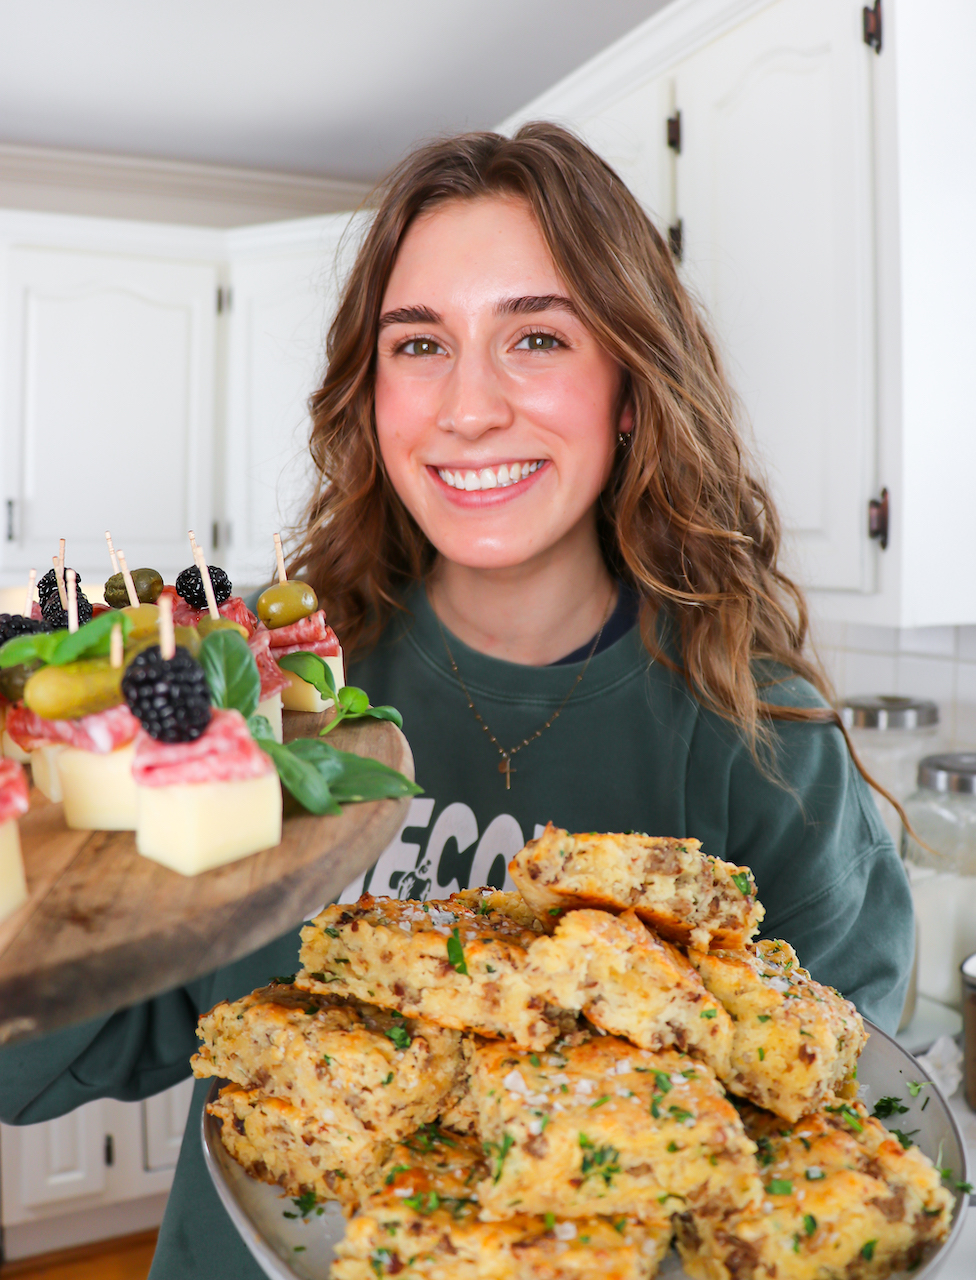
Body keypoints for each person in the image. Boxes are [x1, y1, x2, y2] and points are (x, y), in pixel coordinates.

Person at [0, 124, 912, 1279]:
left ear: (630, 386)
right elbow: (52, 1062)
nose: (468, 406)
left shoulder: (761, 735)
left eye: (535, 335)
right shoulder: (275, 705)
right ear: (371, 396)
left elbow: (839, 1130)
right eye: (419, 343)